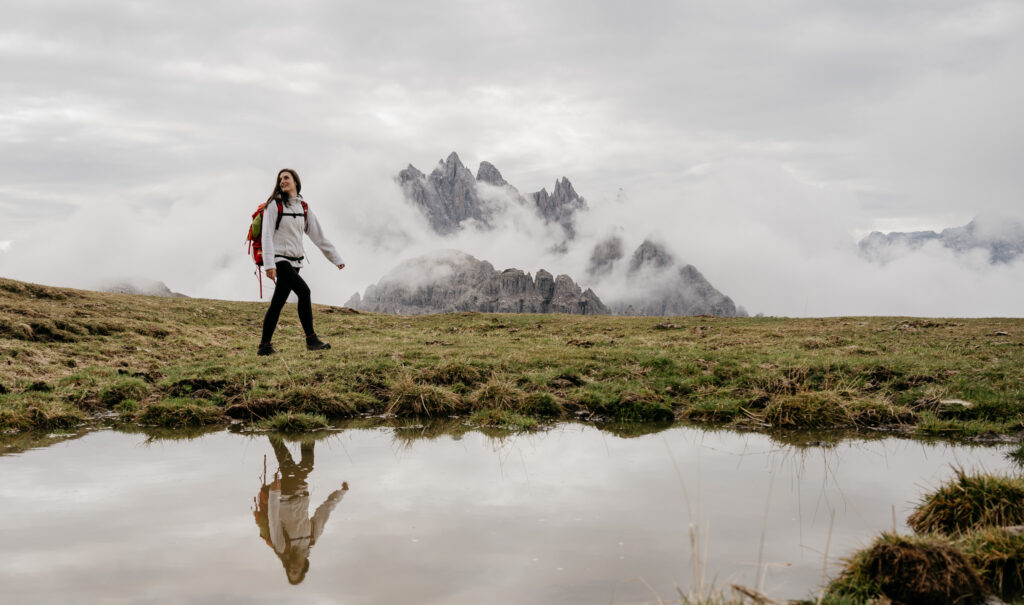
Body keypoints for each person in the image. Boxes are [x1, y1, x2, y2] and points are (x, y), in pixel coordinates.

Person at [258, 168, 345, 356]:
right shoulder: (274, 205)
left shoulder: (303, 207)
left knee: (277, 303)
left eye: (286, 178)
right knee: (304, 292)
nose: (282, 181)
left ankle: (264, 346)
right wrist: (270, 264)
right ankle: (311, 339)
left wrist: (335, 258)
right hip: (280, 260)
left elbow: (318, 236)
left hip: (296, 262)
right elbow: (266, 236)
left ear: (296, 182)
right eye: (280, 179)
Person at [252, 436, 349, 584]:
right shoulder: (311, 540)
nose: (293, 567)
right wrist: (341, 493)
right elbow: (324, 512)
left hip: (285, 494)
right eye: (296, 571)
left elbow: (273, 519)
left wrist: (274, 493)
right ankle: (296, 433)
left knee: (295, 464)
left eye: (291, 571)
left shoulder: (282, 546)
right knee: (305, 464)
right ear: (304, 567)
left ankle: (282, 433)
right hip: (301, 491)